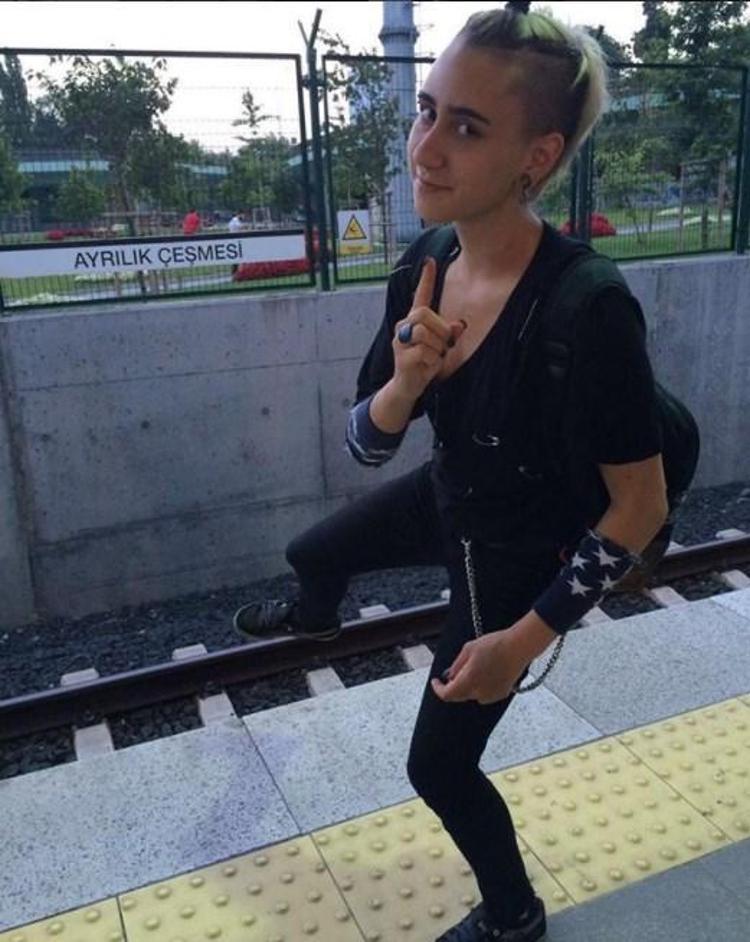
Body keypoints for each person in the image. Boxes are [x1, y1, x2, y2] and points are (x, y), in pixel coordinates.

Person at [233, 3, 670, 940]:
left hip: (515, 552)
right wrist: (406, 384)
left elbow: (640, 507)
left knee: (436, 766)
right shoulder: (427, 261)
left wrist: (521, 639)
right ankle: (317, 616)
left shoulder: (589, 309)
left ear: (536, 157)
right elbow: (365, 444)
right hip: (451, 497)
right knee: (312, 553)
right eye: (426, 112)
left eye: (465, 128)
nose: (424, 149)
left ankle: (514, 915)